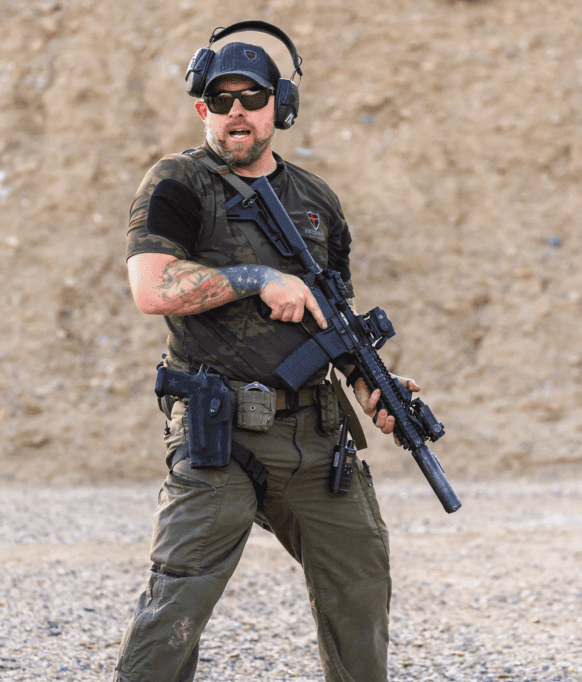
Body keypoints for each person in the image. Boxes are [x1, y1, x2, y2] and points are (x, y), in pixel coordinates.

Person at [114, 26, 419, 682]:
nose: (234, 113)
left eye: (250, 97)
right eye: (219, 100)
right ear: (202, 110)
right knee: (174, 612)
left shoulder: (316, 202)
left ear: (280, 104)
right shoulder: (178, 183)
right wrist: (256, 279)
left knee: (362, 600)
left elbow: (335, 321)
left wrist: (379, 393)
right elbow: (151, 287)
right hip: (218, 437)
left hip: (318, 442)